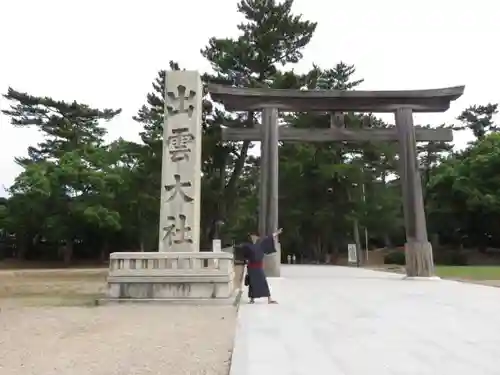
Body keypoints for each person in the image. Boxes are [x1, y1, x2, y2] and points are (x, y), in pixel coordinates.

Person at [240, 228, 282, 304]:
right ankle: (252, 299)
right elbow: (243, 254)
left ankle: (269, 298)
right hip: (251, 267)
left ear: (257, 237)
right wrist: (245, 259)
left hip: (258, 267)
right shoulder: (247, 245)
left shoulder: (260, 244)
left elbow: (268, 238)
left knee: (263, 282)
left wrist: (276, 233)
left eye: (254, 236)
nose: (253, 237)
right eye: (252, 236)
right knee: (252, 283)